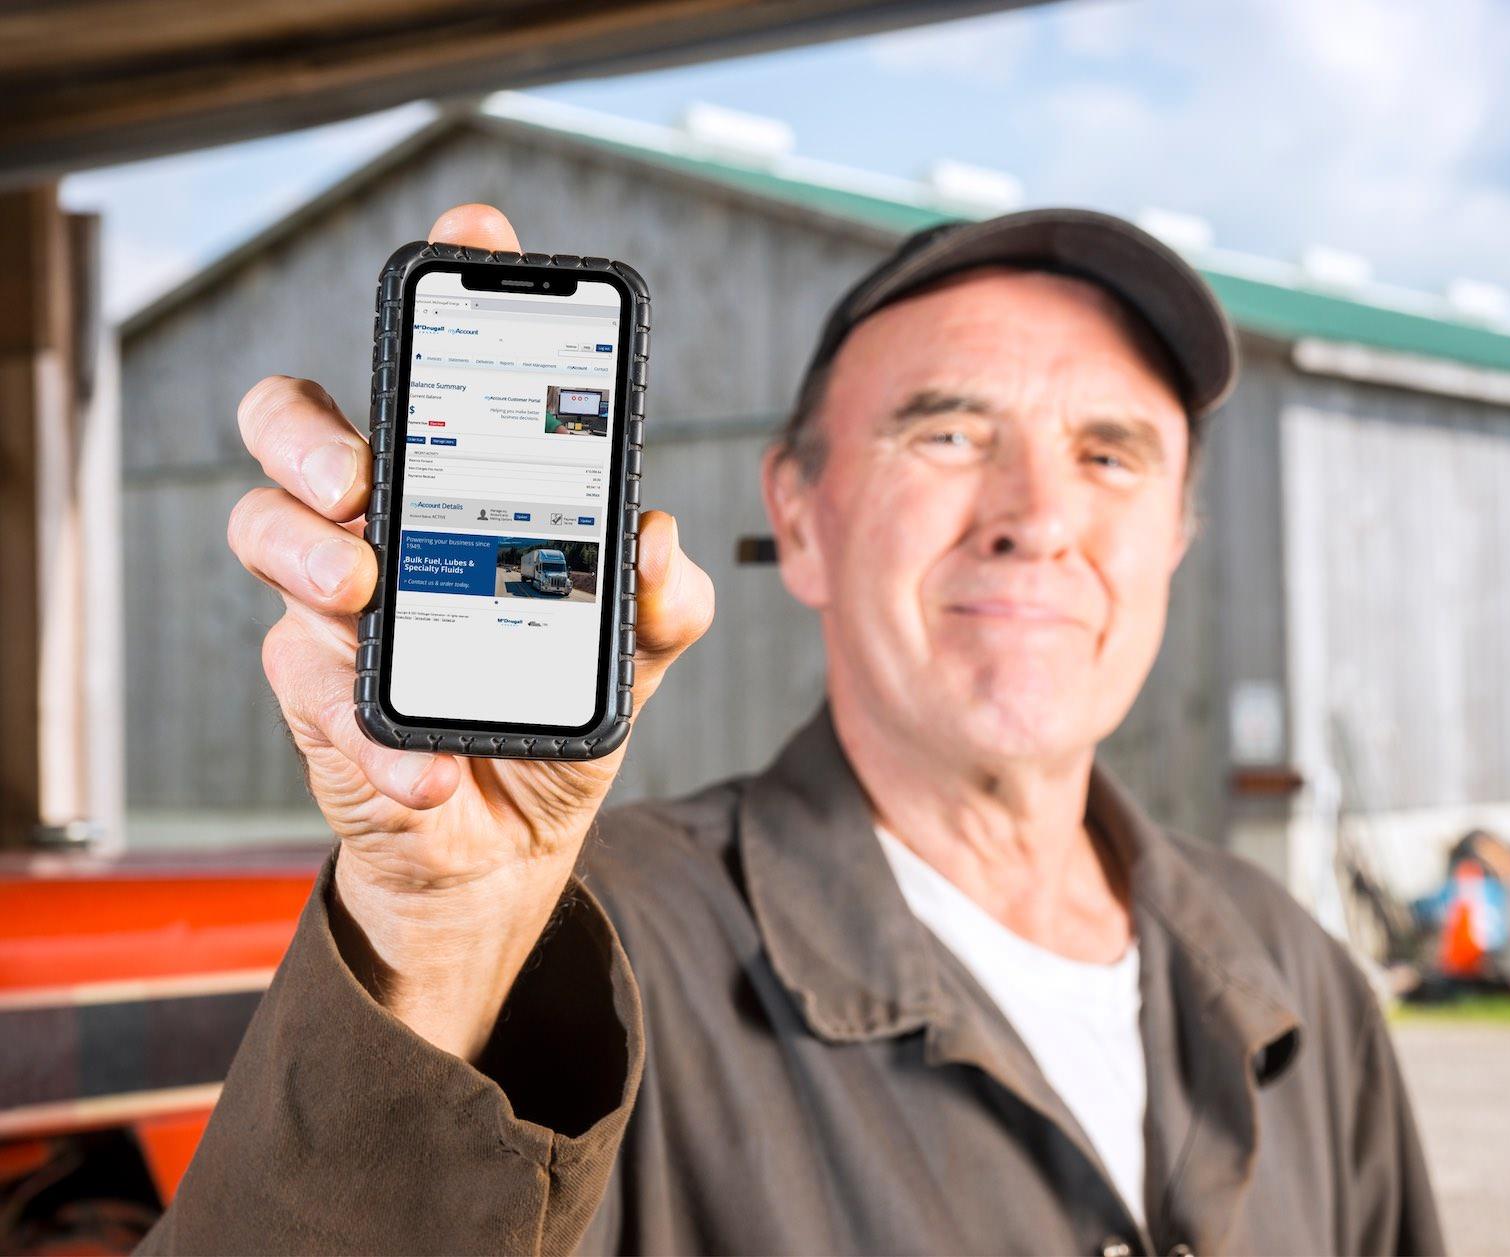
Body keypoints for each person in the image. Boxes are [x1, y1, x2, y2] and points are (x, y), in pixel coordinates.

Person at [140, 202, 1443, 1256]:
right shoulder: (581, 968)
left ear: (1176, 538)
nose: (1037, 515)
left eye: (1112, 456)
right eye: (946, 431)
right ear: (803, 516)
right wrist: (439, 933)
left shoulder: (1296, 976)